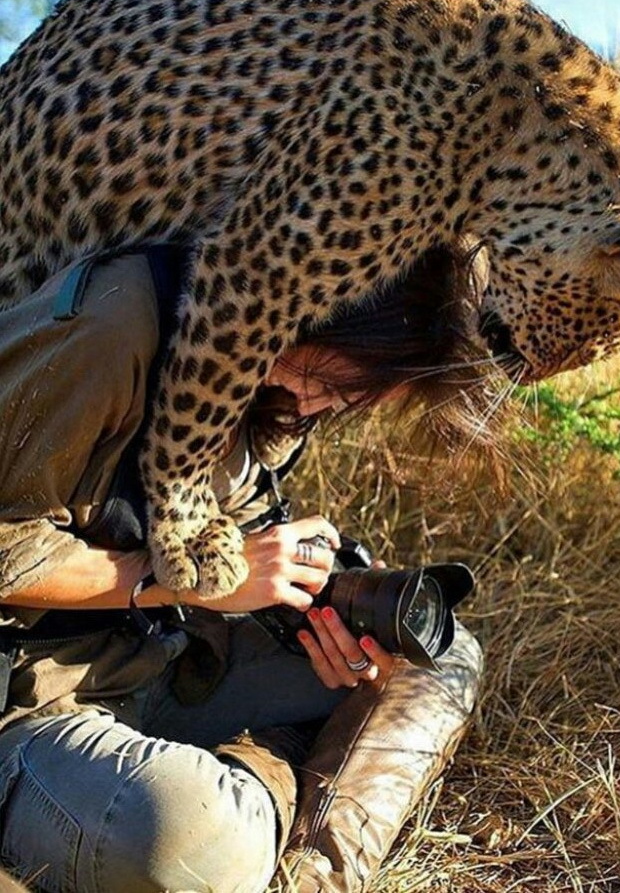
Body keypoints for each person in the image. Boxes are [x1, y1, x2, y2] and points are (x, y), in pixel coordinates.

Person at [0, 244, 493, 892]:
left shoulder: (268, 364)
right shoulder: (115, 326)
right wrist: (183, 578)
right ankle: (283, 767)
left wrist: (303, 587)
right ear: (334, 309)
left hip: (175, 654)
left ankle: (308, 875)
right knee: (196, 843)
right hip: (33, 697)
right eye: (347, 384)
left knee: (440, 653)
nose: (328, 408)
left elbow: (232, 514)